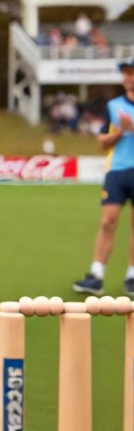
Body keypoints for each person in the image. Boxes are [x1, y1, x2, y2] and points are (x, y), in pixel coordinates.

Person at [72, 58, 134, 297]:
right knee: (108, 221)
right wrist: (121, 131)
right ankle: (96, 275)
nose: (128, 77)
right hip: (117, 171)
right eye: (126, 73)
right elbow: (102, 142)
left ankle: (132, 276)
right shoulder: (114, 106)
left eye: (131, 73)